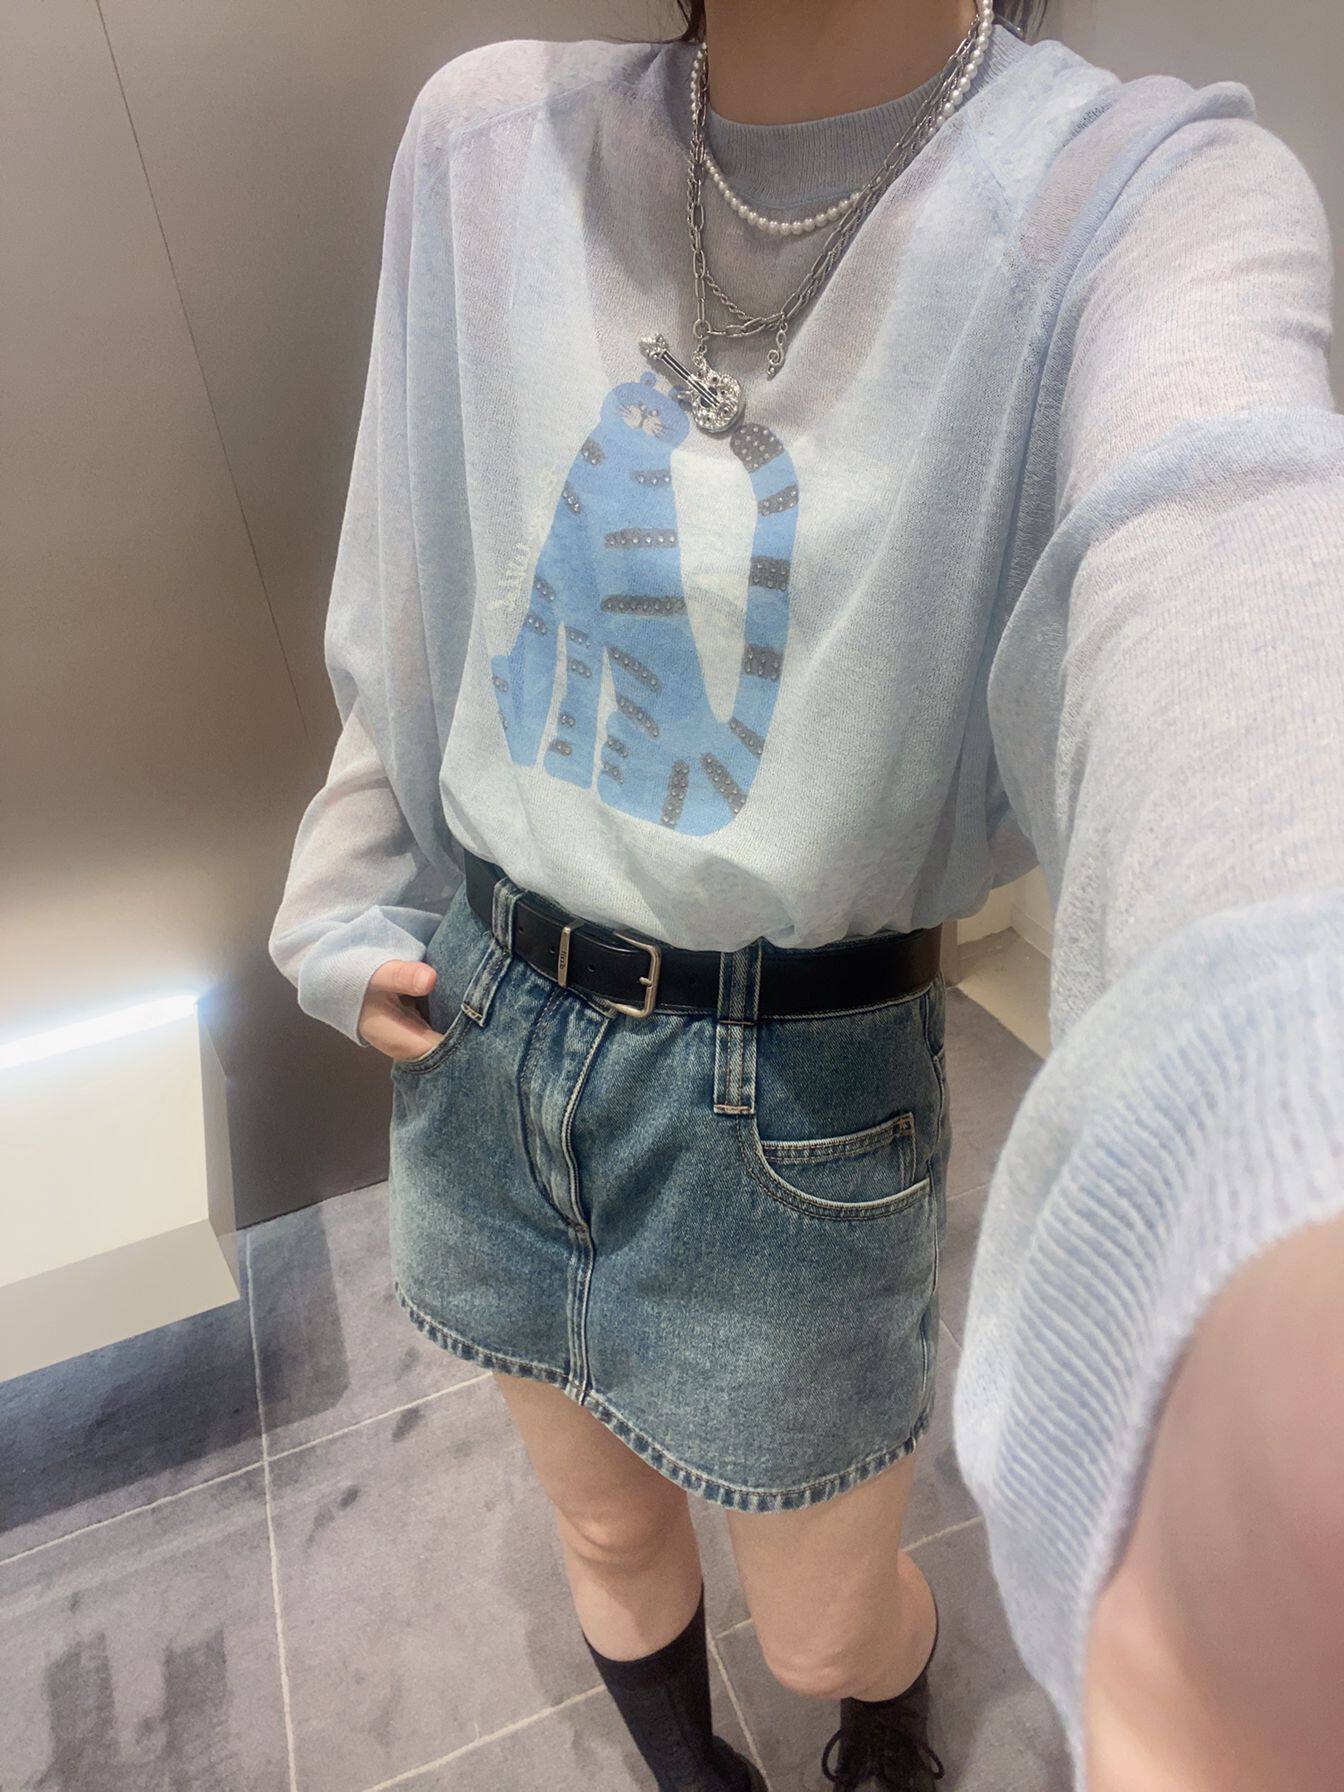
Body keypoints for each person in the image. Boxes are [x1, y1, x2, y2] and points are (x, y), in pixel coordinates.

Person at [268, 1, 1344, 1787]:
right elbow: (414, 600)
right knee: (603, 1532)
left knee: (829, 1625)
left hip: (793, 1105)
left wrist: (1280, 1176)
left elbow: (1232, 569)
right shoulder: (478, 145)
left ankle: (884, 1727)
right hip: (485, 1030)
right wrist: (348, 895)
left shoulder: (1128, 201)